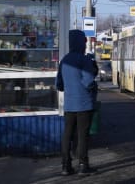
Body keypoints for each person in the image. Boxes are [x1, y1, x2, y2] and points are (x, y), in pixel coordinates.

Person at [55, 29, 98, 176]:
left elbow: (59, 85)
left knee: (67, 135)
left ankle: (65, 166)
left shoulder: (64, 60)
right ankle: (82, 165)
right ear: (81, 43)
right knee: (82, 136)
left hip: (69, 105)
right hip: (84, 105)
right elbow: (89, 82)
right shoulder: (84, 60)